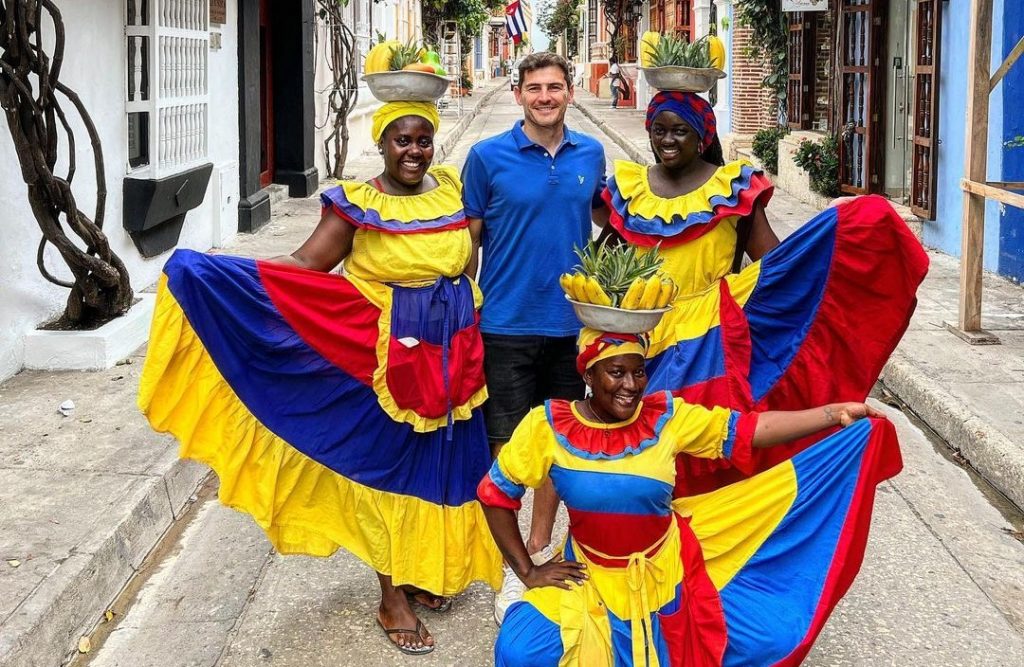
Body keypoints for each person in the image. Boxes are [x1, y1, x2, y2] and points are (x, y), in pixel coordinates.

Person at [138, 101, 502, 656]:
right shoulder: (356, 204)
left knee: (443, 462)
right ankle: (391, 596)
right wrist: (226, 269)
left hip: (454, 356)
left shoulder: (451, 189)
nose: (414, 151)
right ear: (381, 143)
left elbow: (465, 258)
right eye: (402, 140)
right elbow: (308, 266)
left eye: (423, 140)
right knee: (387, 469)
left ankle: (423, 568)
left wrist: (461, 309)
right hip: (384, 361)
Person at [479, 329, 902, 666]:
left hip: (667, 569)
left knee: (765, 633)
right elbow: (495, 493)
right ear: (588, 376)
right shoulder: (548, 426)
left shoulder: (667, 416)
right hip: (590, 574)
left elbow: (750, 431)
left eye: (638, 372)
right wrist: (528, 571)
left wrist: (834, 414)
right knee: (523, 650)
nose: (631, 386)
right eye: (616, 373)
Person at [600, 91, 930, 495]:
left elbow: (773, 260)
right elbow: (605, 261)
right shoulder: (628, 189)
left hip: (709, 336)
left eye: (680, 131)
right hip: (641, 333)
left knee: (701, 441)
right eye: (659, 130)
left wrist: (828, 231)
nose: (667, 140)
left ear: (703, 136)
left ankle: (701, 529)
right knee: (637, 438)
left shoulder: (732, 188)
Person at [461, 51, 611, 625]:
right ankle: (510, 566)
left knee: (562, 446)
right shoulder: (486, 158)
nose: (545, 96)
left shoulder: (590, 155)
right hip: (504, 325)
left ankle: (543, 549)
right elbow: (467, 244)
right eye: (534, 88)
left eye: (554, 87)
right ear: (517, 94)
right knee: (508, 451)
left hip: (573, 327)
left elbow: (613, 220)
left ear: (570, 93)